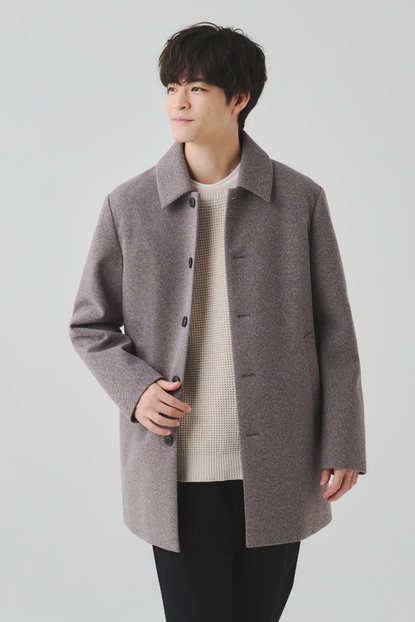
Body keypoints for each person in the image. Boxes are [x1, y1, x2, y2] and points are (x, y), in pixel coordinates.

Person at [69, 22, 366, 622]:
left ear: (239, 98)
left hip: (279, 464)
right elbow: (89, 325)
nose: (178, 101)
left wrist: (343, 441)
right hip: (177, 469)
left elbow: (335, 333)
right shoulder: (128, 206)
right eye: (171, 87)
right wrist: (137, 390)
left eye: (197, 87)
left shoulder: (300, 200)